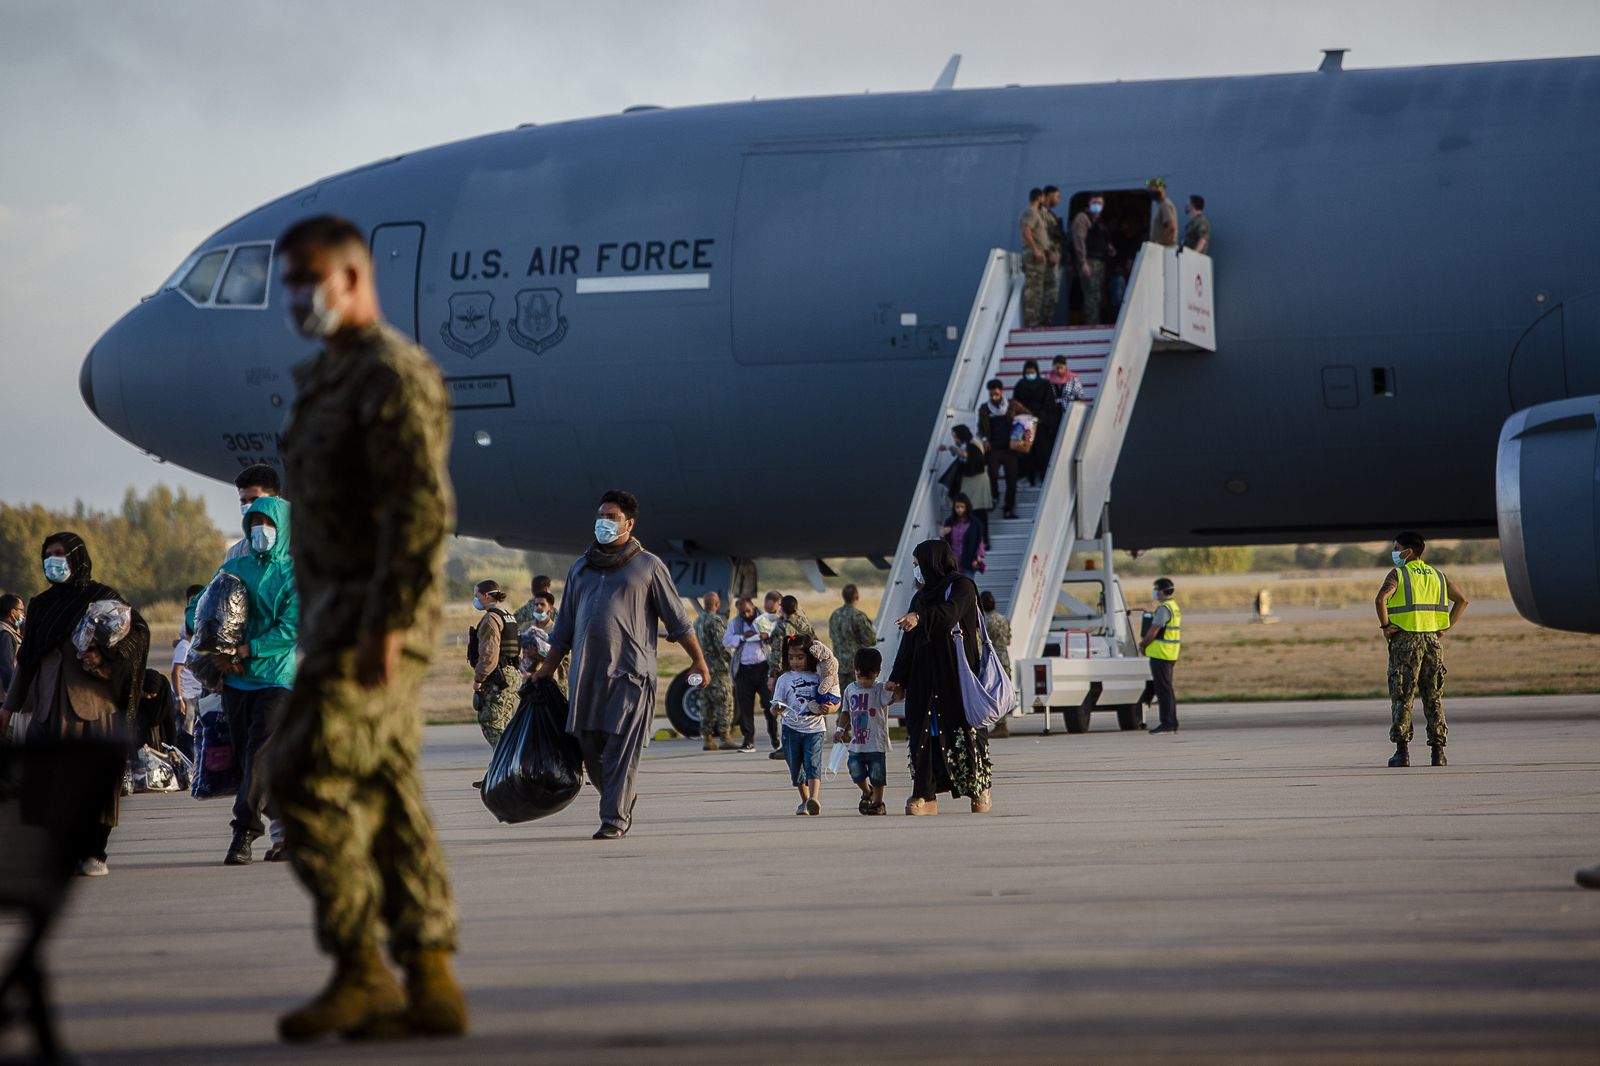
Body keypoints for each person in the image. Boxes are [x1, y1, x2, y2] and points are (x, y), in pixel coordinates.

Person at [268, 214, 465, 1041]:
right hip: (336, 616)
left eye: (310, 278)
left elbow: (420, 510)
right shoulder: (326, 377)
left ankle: (361, 969)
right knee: (384, 787)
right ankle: (429, 978)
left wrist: (386, 625)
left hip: (374, 622)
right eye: (288, 282)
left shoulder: (392, 374)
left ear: (355, 279)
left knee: (303, 776)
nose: (296, 296)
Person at [537, 489, 711, 839]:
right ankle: (619, 799)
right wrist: (545, 670)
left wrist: (699, 662)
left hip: (632, 674)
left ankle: (613, 819)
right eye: (601, 515)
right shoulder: (581, 568)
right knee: (587, 747)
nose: (603, 521)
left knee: (621, 747)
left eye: (612, 516)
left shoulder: (648, 566)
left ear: (629, 523)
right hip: (586, 675)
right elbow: (564, 628)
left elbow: (678, 622)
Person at [0, 533, 151, 877]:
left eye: (61, 554)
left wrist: (106, 655)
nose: (54, 562)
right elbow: (27, 662)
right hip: (48, 705)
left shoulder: (102, 598)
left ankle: (95, 851)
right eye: (48, 555)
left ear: (78, 558)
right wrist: (8, 709)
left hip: (93, 705)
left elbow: (136, 634)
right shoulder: (40, 605)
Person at [216, 497, 299, 867]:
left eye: (267, 523)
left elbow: (291, 628)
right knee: (248, 763)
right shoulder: (234, 567)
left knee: (257, 754)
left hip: (275, 680)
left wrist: (250, 649)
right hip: (236, 681)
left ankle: (243, 832)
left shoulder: (293, 574)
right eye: (254, 523)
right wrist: (210, 644)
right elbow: (205, 604)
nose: (259, 530)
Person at [886, 540, 994, 815]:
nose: (916, 570)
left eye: (917, 564)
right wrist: (898, 679)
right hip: (924, 679)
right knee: (923, 735)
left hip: (955, 677)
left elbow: (949, 615)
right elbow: (907, 643)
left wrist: (920, 618)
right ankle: (924, 793)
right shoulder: (920, 597)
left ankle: (978, 789)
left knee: (965, 733)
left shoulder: (962, 587)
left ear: (932, 562)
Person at [1376, 532, 1468, 768]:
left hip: (1405, 641)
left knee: (1403, 696)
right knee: (1433, 696)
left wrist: (1386, 626)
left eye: (1397, 548)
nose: (1395, 552)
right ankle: (1438, 753)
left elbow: (1381, 599)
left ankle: (1402, 752)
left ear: (1408, 551)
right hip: (1431, 642)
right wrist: (1445, 626)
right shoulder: (1438, 576)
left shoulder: (1399, 573)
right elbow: (1462, 601)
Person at [773, 638, 831, 815]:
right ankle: (805, 800)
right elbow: (776, 704)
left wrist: (828, 707)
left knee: (813, 763)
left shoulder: (819, 676)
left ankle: (814, 798)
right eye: (791, 658)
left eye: (800, 657)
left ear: (810, 657)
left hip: (815, 729)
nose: (795, 662)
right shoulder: (784, 679)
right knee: (796, 767)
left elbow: (832, 698)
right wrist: (776, 708)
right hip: (791, 729)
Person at [835, 647, 894, 816]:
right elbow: (845, 712)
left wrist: (893, 687)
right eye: (859, 676)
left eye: (867, 678)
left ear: (877, 673)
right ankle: (867, 791)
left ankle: (878, 802)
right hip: (857, 744)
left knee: (877, 775)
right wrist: (840, 729)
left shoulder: (880, 690)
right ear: (855, 671)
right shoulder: (850, 690)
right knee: (855, 770)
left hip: (876, 743)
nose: (863, 681)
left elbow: (895, 697)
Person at [468, 580, 520, 746]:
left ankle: (503, 763)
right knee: (506, 724)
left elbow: (489, 654)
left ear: (486, 595)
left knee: (491, 722)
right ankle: (508, 765)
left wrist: (479, 679)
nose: (475, 599)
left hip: (499, 678)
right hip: (512, 676)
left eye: (477, 595)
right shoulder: (508, 615)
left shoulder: (491, 619)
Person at [724, 597, 772, 752]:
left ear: (753, 607)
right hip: (743, 670)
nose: (746, 614)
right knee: (745, 707)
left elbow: (775, 634)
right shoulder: (736, 623)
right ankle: (748, 740)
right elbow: (726, 641)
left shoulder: (764, 619)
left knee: (769, 703)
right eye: (742, 612)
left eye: (748, 611)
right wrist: (742, 637)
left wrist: (765, 635)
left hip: (763, 668)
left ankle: (775, 737)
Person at [693, 591, 737, 751]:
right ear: (717, 604)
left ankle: (707, 738)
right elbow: (722, 644)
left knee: (706, 703)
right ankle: (725, 737)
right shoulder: (716, 620)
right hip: (718, 669)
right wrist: (731, 660)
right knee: (724, 702)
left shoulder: (697, 621)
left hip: (703, 668)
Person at [982, 379, 1031, 520]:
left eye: (996, 393)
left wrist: (1022, 430)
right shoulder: (985, 408)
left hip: (1010, 449)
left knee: (1012, 480)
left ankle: (1008, 508)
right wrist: (985, 439)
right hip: (994, 449)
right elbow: (981, 427)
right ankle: (995, 496)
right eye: (991, 394)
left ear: (1001, 391)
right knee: (992, 475)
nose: (993, 397)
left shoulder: (1012, 405)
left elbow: (1029, 416)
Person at [1139, 577, 1181, 735]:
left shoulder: (1164, 609)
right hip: (1170, 653)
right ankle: (1171, 722)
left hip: (1161, 654)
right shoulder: (1174, 606)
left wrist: (1143, 644)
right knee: (1166, 689)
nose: (1154, 592)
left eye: (1156, 589)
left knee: (1163, 689)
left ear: (1162, 591)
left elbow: (1154, 630)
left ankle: (1168, 723)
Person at [1071, 194, 1116, 325]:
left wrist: (1109, 249)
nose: (1097, 205)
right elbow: (1079, 240)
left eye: (1100, 203)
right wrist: (1083, 262)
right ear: (1089, 203)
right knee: (1091, 297)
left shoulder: (1099, 222)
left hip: (1099, 263)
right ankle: (1092, 325)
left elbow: (1103, 240)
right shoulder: (1083, 218)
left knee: (1097, 297)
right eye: (1095, 202)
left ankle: (1093, 323)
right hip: (1090, 262)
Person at [170, 583, 205, 753]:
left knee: (200, 729)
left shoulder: (206, 617)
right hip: (188, 693)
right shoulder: (185, 641)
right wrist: (179, 697)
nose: (195, 602)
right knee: (186, 730)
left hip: (200, 690)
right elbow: (177, 668)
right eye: (192, 600)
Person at [945, 424, 992, 546]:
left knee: (978, 513)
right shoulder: (971, 443)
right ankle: (980, 540)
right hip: (974, 483)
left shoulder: (972, 445)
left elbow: (972, 462)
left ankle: (983, 541)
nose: (955, 440)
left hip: (976, 483)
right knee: (975, 513)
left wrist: (954, 450)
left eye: (956, 437)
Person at [1012, 358, 1055, 485]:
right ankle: (1026, 476)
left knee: (1042, 451)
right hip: (1025, 422)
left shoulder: (1044, 384)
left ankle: (1042, 476)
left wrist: (1041, 417)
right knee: (1026, 452)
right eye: (1028, 372)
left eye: (1032, 372)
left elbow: (1049, 403)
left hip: (1041, 423)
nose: (1030, 374)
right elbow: (1016, 403)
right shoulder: (1020, 385)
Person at [827, 584, 877, 690]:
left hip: (838, 665)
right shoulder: (858, 616)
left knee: (839, 700)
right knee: (856, 699)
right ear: (857, 597)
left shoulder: (835, 615)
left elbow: (832, 636)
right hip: (856, 666)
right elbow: (871, 640)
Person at [1018, 187, 1054, 327]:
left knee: (1038, 289)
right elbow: (1026, 230)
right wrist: (1036, 250)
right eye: (1043, 198)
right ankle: (1032, 323)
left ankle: (1036, 322)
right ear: (1039, 198)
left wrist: (1047, 251)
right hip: (1034, 255)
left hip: (1039, 255)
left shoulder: (1036, 213)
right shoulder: (1031, 212)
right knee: (1033, 290)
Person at [941, 494, 985, 577]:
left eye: (962, 507)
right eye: (957, 507)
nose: (959, 510)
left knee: (967, 585)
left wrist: (978, 557)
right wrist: (942, 533)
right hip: (952, 561)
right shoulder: (950, 521)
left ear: (966, 507)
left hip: (969, 559)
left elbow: (979, 541)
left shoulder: (974, 523)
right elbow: (944, 542)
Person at [1041, 185, 1066, 326]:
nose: (1058, 200)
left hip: (1055, 256)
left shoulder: (1050, 214)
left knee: (1052, 293)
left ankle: (1046, 321)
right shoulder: (1042, 214)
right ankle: (1043, 322)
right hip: (1048, 258)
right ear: (1049, 195)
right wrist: (1049, 252)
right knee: (1049, 292)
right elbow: (1041, 235)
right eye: (1057, 196)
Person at [0, 593, 23, 706]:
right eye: (21, 610)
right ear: (13, 613)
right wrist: (12, 694)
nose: (23, 614)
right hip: (4, 697)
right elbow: (6, 666)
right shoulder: (6, 634)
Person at [1148, 177, 1178, 247]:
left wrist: (1158, 243)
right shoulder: (1160, 205)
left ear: (1162, 189)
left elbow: (1171, 227)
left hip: (1164, 249)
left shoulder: (1165, 204)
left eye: (1153, 189)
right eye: (1150, 190)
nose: (1151, 192)